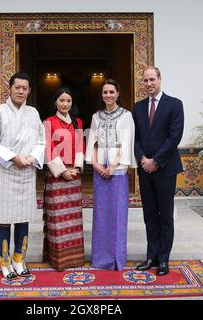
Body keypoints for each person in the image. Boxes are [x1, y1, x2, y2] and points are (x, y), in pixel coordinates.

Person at [0, 72, 45, 279]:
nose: (20, 91)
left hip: (27, 171)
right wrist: (13, 158)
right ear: (9, 89)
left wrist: (31, 158)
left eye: (24, 88)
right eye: (17, 87)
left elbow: (41, 142)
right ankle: (5, 261)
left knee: (22, 218)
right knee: (3, 218)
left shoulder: (33, 113)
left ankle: (19, 258)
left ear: (29, 91)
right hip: (6, 171)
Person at [132, 67, 184, 276]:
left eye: (152, 79)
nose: (149, 83)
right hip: (145, 170)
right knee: (149, 215)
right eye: (145, 80)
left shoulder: (174, 104)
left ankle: (164, 259)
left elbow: (174, 137)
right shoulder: (137, 107)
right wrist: (143, 159)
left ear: (160, 79)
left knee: (165, 216)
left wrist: (156, 160)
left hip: (165, 169)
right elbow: (134, 138)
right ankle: (151, 256)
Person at [85, 79, 137, 271]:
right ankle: (100, 259)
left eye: (111, 92)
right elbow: (93, 143)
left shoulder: (126, 116)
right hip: (100, 171)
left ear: (118, 93)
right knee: (101, 214)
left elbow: (126, 141)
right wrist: (97, 166)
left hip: (118, 170)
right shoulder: (96, 117)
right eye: (105, 92)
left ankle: (116, 258)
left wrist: (113, 166)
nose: (108, 95)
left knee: (117, 213)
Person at [42, 87, 85, 271]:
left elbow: (80, 146)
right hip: (56, 176)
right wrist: (61, 171)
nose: (65, 104)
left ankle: (75, 258)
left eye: (68, 100)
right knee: (58, 219)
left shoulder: (77, 122)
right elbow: (48, 148)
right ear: (55, 103)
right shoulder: (48, 122)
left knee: (73, 219)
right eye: (61, 100)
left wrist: (76, 167)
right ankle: (59, 260)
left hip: (74, 176)